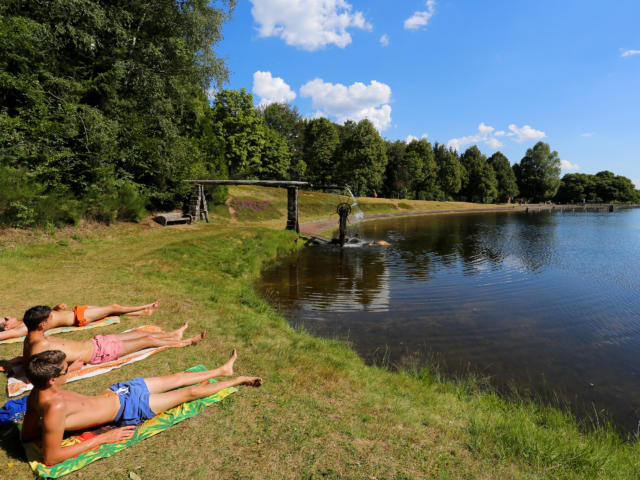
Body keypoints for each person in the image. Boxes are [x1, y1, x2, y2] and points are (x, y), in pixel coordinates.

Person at [21, 349, 262, 465]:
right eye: (66, 369)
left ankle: (223, 370)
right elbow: (51, 458)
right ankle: (240, 380)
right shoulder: (54, 410)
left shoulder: (38, 393)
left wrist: (38, 429)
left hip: (119, 390)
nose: (71, 368)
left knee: (179, 377)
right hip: (131, 408)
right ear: (51, 380)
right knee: (191, 392)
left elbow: (28, 435)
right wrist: (103, 439)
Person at [22, 306, 205, 371]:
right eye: (50, 319)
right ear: (41, 325)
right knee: (147, 340)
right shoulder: (38, 347)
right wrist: (71, 369)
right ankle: (185, 342)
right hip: (99, 353)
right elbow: (37, 374)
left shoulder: (32, 338)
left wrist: (14, 362)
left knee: (140, 333)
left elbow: (25, 360)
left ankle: (173, 334)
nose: (53, 319)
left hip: (96, 343)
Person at [0, 301, 160, 341]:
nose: (10, 316)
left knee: (109, 311)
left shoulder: (26, 320)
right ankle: (146, 306)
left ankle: (143, 312)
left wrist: (57, 307)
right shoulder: (24, 328)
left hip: (75, 312)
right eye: (6, 319)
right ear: (7, 328)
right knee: (113, 306)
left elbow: (52, 316)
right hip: (79, 317)